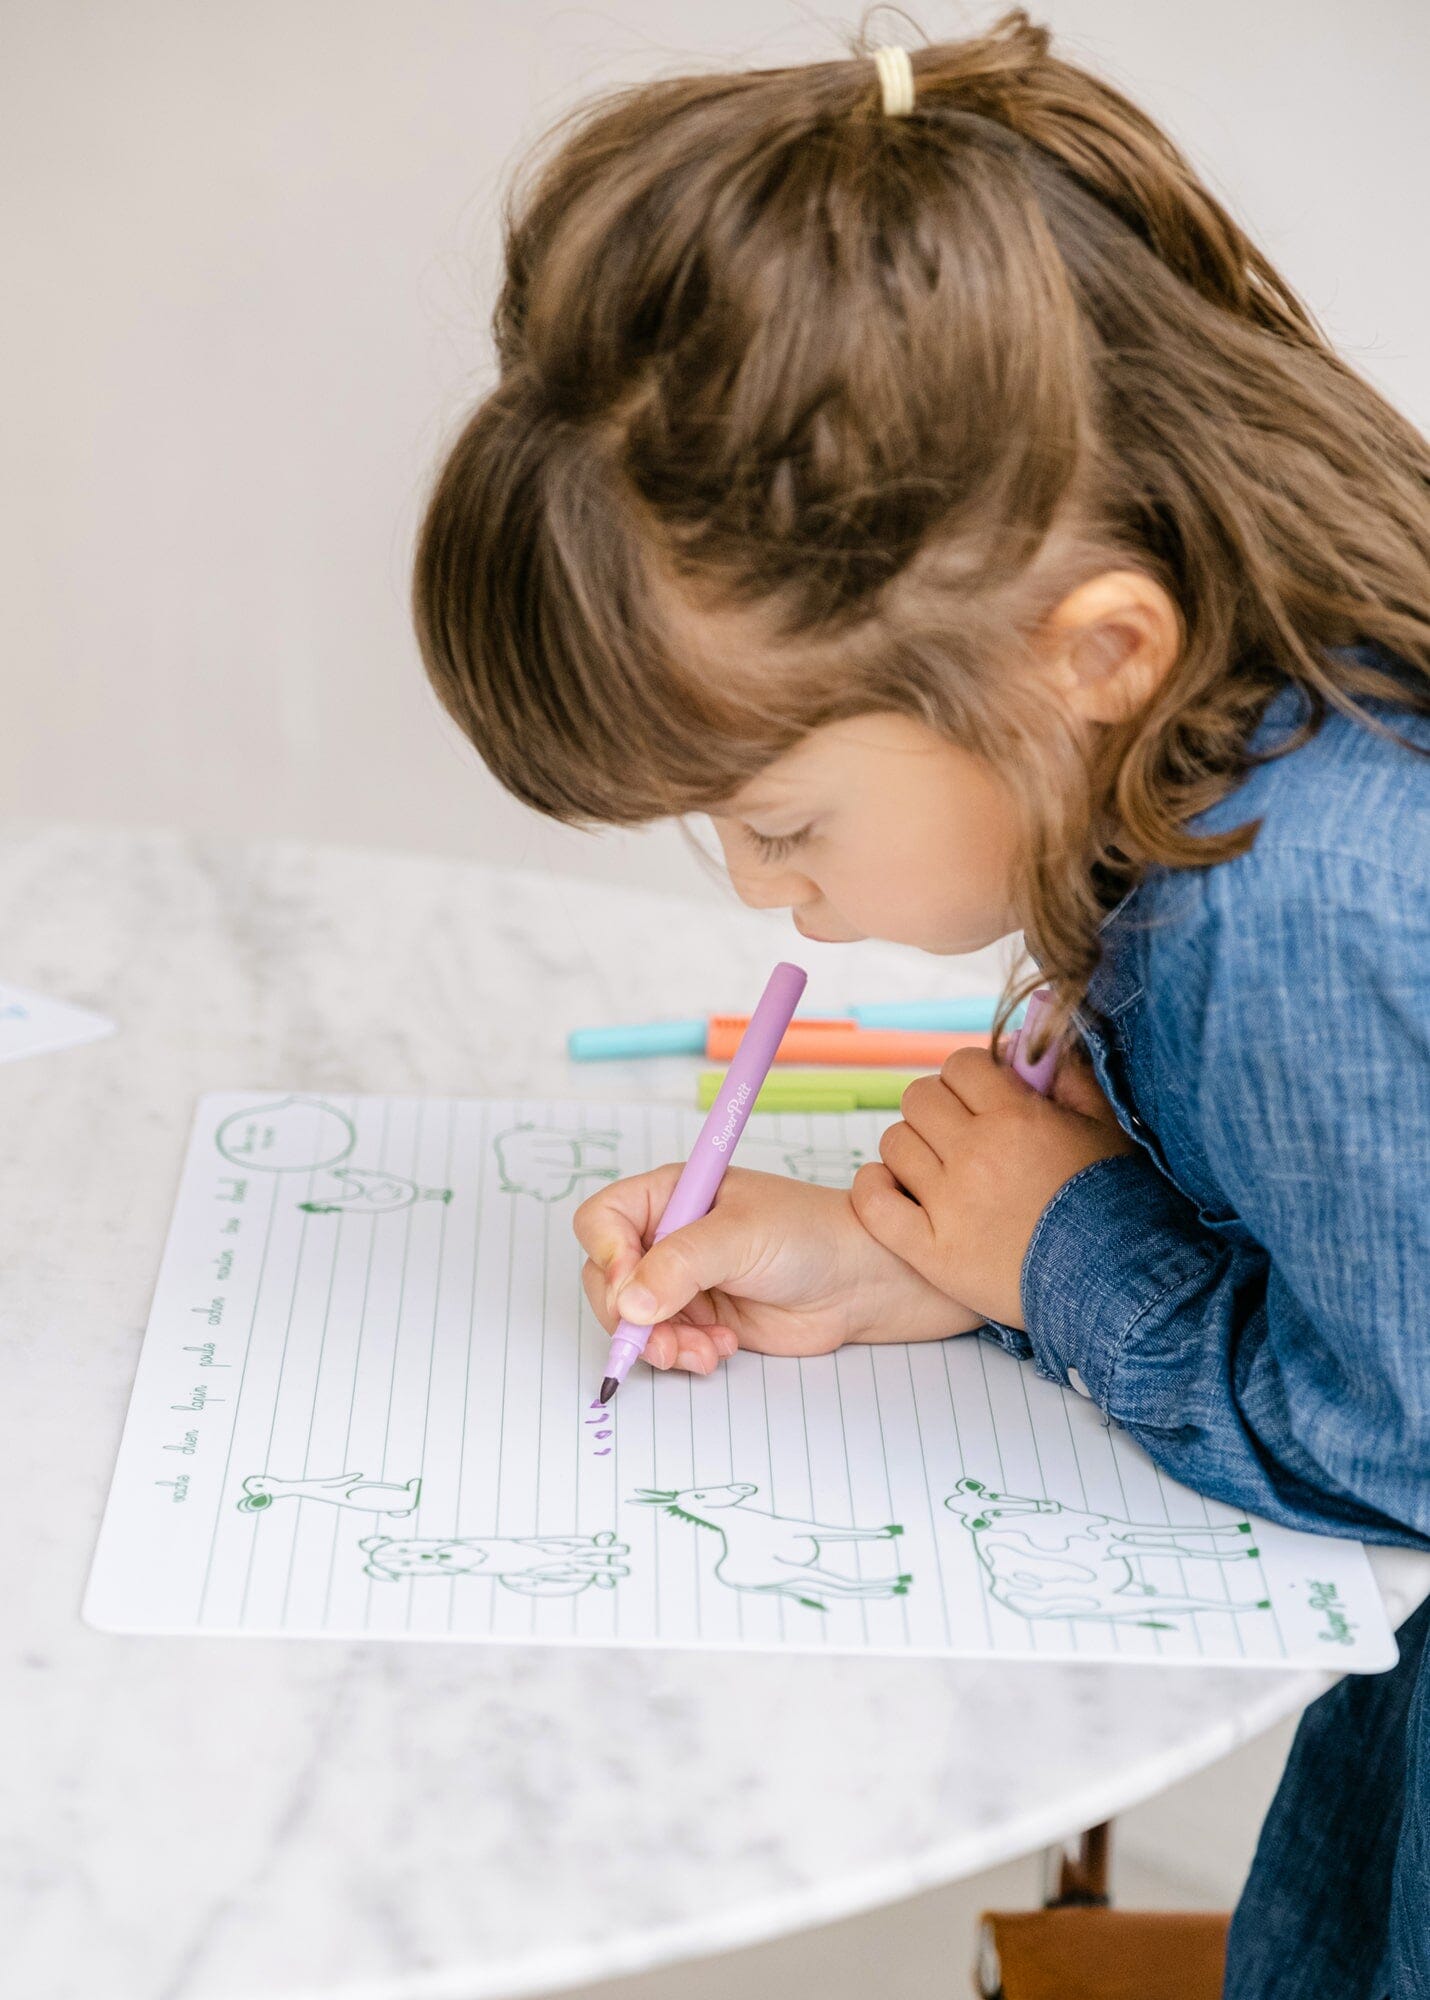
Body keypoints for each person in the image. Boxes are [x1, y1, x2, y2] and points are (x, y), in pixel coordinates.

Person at [411, 14, 1430, 1992]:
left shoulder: (1300, 892)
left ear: (1089, 656)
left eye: (781, 813)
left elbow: (1400, 1436)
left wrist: (1062, 1249)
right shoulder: (1223, 761)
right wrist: (926, 1256)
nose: (757, 883)